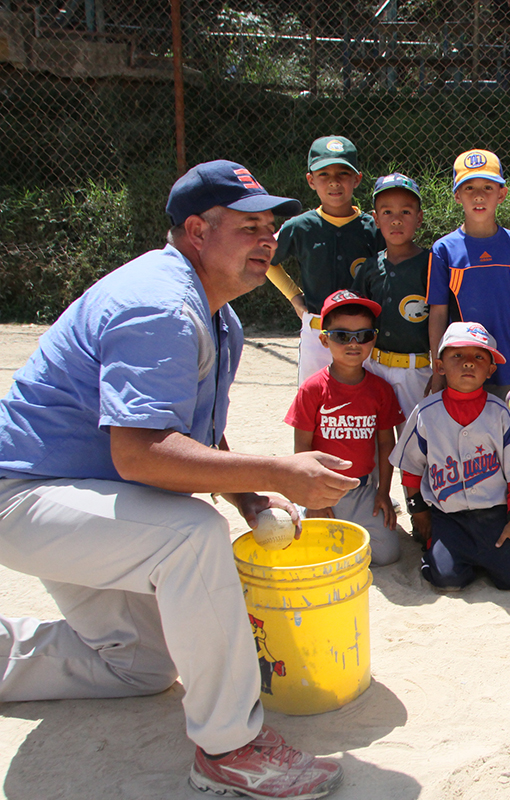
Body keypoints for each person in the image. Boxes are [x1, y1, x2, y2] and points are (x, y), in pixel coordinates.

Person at [0, 160, 358, 799]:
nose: (268, 240)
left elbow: (191, 433)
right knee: (190, 535)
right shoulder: (161, 305)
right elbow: (141, 456)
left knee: (139, 667)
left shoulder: (218, 313)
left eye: (271, 226)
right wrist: (278, 468)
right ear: (197, 230)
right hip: (27, 495)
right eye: (249, 227)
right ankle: (230, 750)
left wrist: (251, 496)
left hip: (88, 499)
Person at [394, 322, 510, 591]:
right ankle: (454, 555)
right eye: (458, 356)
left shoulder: (501, 414)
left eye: (479, 357)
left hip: (495, 515)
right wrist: (419, 514)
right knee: (446, 578)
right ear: (440, 367)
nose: (469, 364)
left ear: (490, 370)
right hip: (448, 518)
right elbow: (411, 469)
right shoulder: (425, 413)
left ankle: (482, 558)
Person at [285, 290, 405, 566]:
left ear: (373, 339)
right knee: (315, 555)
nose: (353, 343)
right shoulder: (313, 388)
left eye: (363, 335)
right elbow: (301, 447)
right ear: (325, 340)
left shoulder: (380, 389)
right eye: (342, 336)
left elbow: (386, 443)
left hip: (362, 490)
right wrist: (313, 499)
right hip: (321, 488)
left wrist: (383, 492)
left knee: (387, 555)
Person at [266, 136, 382, 385]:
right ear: (311, 180)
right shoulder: (300, 226)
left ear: (357, 179)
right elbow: (266, 260)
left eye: (343, 173)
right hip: (317, 329)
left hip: (362, 334)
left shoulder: (372, 228)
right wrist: (295, 297)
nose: (334, 182)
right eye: (324, 174)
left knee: (362, 402)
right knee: (313, 401)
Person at [427, 149, 510, 398]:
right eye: (469, 188)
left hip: (508, 370)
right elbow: (438, 312)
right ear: (457, 195)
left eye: (488, 188)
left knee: (507, 434)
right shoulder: (444, 250)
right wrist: (438, 370)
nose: (479, 196)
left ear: (502, 194)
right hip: (460, 372)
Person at [352, 172, 432, 419]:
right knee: (375, 438)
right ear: (375, 218)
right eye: (387, 212)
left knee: (415, 442)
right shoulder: (370, 266)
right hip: (373, 366)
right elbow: (356, 316)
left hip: (415, 370)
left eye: (406, 212)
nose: (396, 220)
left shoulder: (431, 264)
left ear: (419, 218)